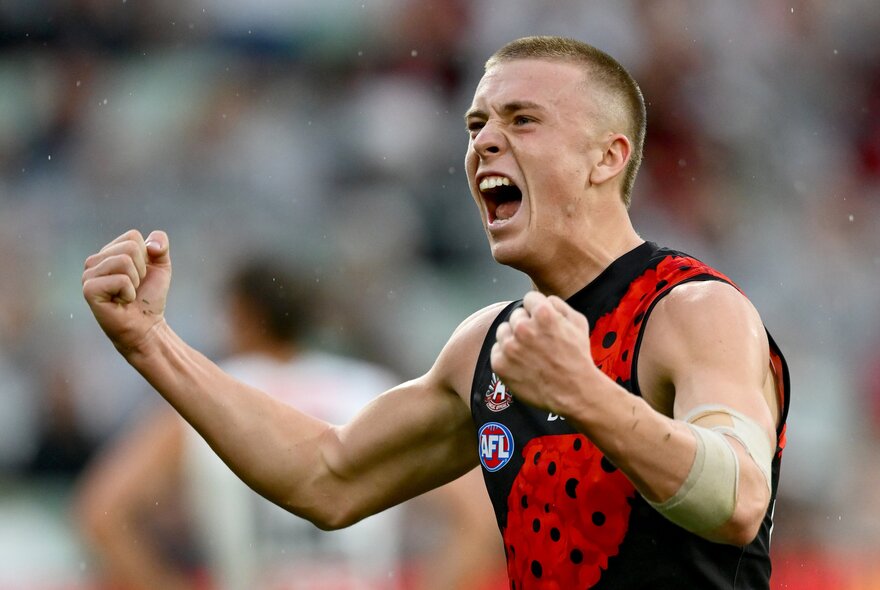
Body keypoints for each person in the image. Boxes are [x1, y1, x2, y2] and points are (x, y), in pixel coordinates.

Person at [81, 36, 790, 588]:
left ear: (606, 158)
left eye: (522, 120)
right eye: (476, 122)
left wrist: (585, 395)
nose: (483, 141)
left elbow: (737, 499)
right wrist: (151, 343)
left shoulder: (694, 309)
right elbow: (326, 477)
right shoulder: (484, 346)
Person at [74, 258, 505, 590]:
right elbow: (478, 525)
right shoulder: (371, 391)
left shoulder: (207, 398)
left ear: (240, 314)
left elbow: (102, 512)